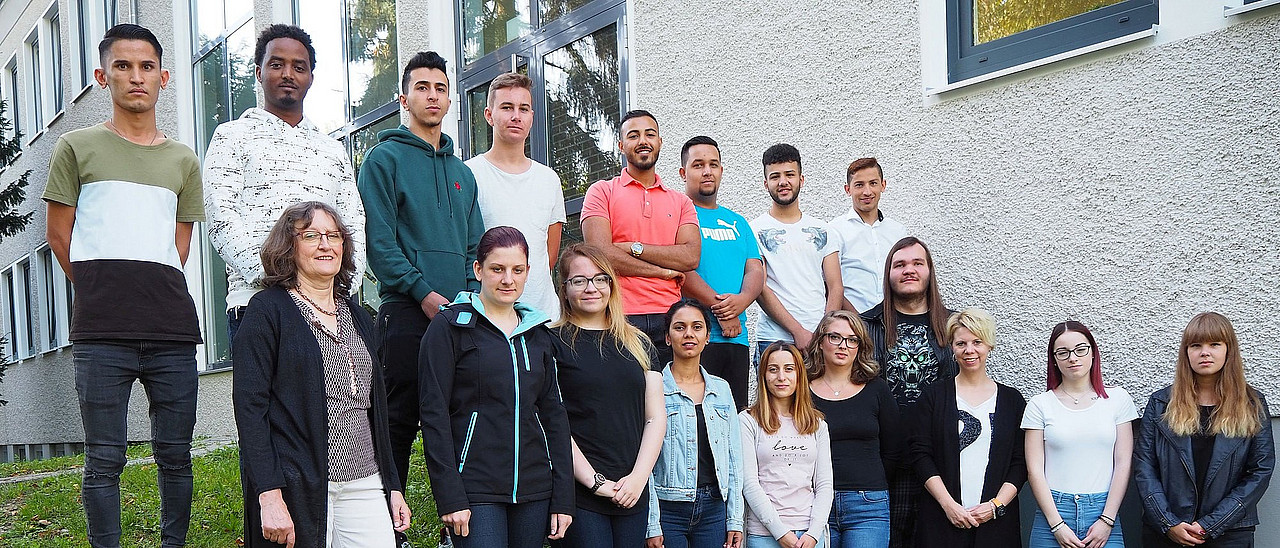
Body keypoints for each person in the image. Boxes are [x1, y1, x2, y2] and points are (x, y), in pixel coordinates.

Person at [42, 23, 203, 548]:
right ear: (102, 76)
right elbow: (60, 237)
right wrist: (101, 289)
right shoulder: (75, 147)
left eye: (147, 66)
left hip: (172, 332)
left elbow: (179, 247)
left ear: (163, 77)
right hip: (101, 333)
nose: (136, 77)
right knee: (103, 459)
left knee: (175, 456)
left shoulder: (184, 160)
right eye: (123, 66)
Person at [232, 202, 411, 547]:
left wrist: (392, 486)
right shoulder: (267, 311)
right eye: (311, 235)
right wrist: (269, 495)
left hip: (365, 481)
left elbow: (377, 411)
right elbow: (250, 412)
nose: (325, 245)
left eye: (334, 235)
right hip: (299, 485)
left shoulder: (359, 316)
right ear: (289, 246)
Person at [357, 51, 485, 511]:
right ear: (403, 98)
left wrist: (468, 299)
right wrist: (423, 294)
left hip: (461, 315)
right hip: (407, 313)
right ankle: (388, 528)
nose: (432, 96)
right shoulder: (382, 160)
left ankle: (461, 527)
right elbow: (380, 244)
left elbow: (475, 249)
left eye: (440, 88)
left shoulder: (462, 173)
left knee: (460, 420)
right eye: (422, 87)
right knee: (397, 422)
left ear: (450, 99)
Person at [203, 24, 365, 342]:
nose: (288, 74)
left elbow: (354, 223)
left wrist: (345, 282)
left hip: (327, 308)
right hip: (256, 304)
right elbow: (221, 218)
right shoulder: (232, 136)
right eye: (277, 64)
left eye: (298, 67)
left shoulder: (332, 149)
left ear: (311, 78)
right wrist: (275, 275)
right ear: (259, 72)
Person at [418, 226, 574, 548]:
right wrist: (449, 495)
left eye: (517, 270)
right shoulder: (450, 327)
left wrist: (563, 496)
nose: (507, 279)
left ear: (528, 272)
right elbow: (433, 413)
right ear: (478, 270)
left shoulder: (538, 334)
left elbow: (554, 416)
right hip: (474, 488)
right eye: (497, 269)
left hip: (534, 489)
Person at [550, 243, 665, 548]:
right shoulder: (549, 342)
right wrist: (595, 482)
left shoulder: (639, 342)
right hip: (579, 493)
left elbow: (655, 417)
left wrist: (638, 478)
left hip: (631, 491)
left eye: (600, 279)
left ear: (611, 285)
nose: (591, 288)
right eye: (579, 280)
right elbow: (551, 422)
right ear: (564, 289)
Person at [1134, 312, 1274, 548]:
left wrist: (1211, 524)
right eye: (1196, 345)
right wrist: (1168, 523)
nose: (1205, 352)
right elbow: (1144, 466)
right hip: (1166, 533)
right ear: (1186, 352)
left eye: (1214, 344)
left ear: (1228, 350)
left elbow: (1260, 471)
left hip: (1230, 533)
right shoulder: (1161, 404)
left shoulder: (1252, 404)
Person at [581, 110, 700, 367]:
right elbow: (600, 254)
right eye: (633, 135)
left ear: (660, 142)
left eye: (650, 134)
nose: (643, 141)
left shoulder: (681, 202)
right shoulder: (602, 191)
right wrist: (662, 272)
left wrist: (633, 248)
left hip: (671, 318)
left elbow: (690, 256)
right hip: (617, 315)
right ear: (621, 145)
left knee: (670, 392)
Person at [860, 236, 956, 548]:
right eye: (899, 264)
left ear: (929, 271)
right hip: (884, 456)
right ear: (888, 274)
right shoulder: (866, 326)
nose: (909, 270)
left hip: (939, 456)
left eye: (917, 263)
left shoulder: (954, 326)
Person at [908, 308, 1025, 548]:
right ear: (952, 348)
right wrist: (949, 505)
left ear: (989, 345)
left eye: (977, 342)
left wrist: (995, 506)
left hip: (996, 526)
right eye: (961, 343)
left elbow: (1020, 461)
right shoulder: (934, 396)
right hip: (941, 521)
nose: (969, 350)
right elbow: (920, 455)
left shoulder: (1012, 400)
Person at [1023, 321, 1137, 548]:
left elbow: (1123, 462)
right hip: (1053, 514)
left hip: (1104, 513)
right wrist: (1056, 525)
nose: (1072, 358)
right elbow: (1034, 469)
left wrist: (1107, 520)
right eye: (1063, 352)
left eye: (1080, 349)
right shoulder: (1040, 404)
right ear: (1054, 359)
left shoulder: (1118, 399)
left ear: (1093, 352)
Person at [466, 72, 565, 320]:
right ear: (489, 115)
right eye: (507, 107)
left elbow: (549, 255)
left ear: (532, 117)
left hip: (544, 318)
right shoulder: (469, 174)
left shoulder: (549, 179)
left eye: (524, 109)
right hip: (488, 319)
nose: (516, 116)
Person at [646, 299, 744, 548]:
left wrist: (734, 519)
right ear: (667, 338)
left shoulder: (721, 389)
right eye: (680, 327)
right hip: (668, 508)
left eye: (697, 327)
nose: (688, 334)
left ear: (707, 337)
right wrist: (652, 523)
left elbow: (734, 457)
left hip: (714, 508)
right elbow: (645, 461)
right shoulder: (654, 388)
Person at [680, 135, 764, 409]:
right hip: (695, 338)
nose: (707, 171)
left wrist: (742, 301)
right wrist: (723, 311)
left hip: (736, 338)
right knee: (696, 418)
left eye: (713, 164)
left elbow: (755, 270)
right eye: (698, 165)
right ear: (683, 173)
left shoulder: (737, 222)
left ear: (721, 170)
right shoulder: (679, 215)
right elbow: (680, 270)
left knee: (734, 416)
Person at [805, 311, 900, 548]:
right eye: (835, 337)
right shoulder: (801, 391)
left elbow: (893, 450)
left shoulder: (877, 389)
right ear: (820, 341)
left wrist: (870, 482)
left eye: (852, 339)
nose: (843, 345)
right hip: (811, 504)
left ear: (860, 346)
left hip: (867, 505)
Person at [751, 143, 842, 356]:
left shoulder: (824, 230)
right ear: (765, 184)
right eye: (775, 176)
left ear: (801, 179)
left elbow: (835, 286)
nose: (783, 182)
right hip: (773, 339)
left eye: (789, 174)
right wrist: (797, 331)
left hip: (819, 338)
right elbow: (759, 287)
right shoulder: (753, 230)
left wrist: (824, 332)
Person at [740, 342, 833, 548]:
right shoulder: (748, 420)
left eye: (789, 369)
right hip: (764, 535)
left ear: (799, 374)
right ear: (763, 375)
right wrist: (781, 532)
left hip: (810, 535)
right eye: (773, 369)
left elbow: (825, 484)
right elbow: (749, 483)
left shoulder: (817, 424)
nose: (781, 377)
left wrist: (814, 533)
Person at [827, 158, 907, 314]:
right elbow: (829, 285)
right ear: (847, 189)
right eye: (859, 185)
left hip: (893, 319)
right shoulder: (834, 230)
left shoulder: (898, 231)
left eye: (873, 183)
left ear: (883, 185)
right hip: (851, 321)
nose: (867, 191)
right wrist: (860, 321)